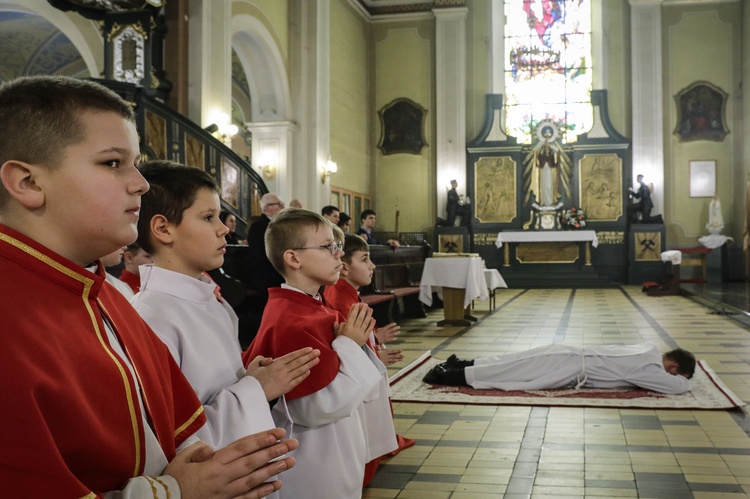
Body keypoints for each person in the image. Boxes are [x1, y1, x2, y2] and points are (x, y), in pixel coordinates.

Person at [0, 75, 297, 497]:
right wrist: (174, 493)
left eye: (135, 163)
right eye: (112, 162)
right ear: (28, 183)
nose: (140, 183)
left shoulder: (106, 297)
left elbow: (173, 443)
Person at [132, 160, 321, 455]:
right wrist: (257, 389)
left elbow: (215, 390)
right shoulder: (151, 317)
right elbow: (175, 439)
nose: (223, 230)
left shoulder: (211, 300)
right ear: (163, 228)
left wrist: (247, 378)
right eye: (208, 217)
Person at [243, 208, 397, 498]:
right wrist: (350, 345)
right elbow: (313, 408)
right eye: (328, 247)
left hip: (336, 448)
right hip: (313, 459)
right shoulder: (290, 319)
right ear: (293, 258)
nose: (338, 254)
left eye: (337, 246)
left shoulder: (315, 307)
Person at [322, 233, 413, 487]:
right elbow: (341, 343)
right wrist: (374, 355)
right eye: (365, 259)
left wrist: (376, 337)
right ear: (344, 266)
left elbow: (357, 337)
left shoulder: (348, 293)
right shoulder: (340, 297)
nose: (372, 266)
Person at [423, 343, 695, 395]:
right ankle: (449, 375)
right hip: (570, 365)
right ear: (672, 366)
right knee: (516, 373)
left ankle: (461, 364)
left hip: (572, 352)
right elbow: (677, 387)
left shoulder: (646, 349)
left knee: (515, 362)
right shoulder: (648, 367)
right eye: (676, 372)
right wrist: (685, 380)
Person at [245, 193, 286, 312]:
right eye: (279, 204)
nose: (282, 207)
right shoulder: (258, 227)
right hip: (267, 279)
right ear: (266, 207)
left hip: (279, 275)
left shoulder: (279, 225)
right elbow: (261, 255)